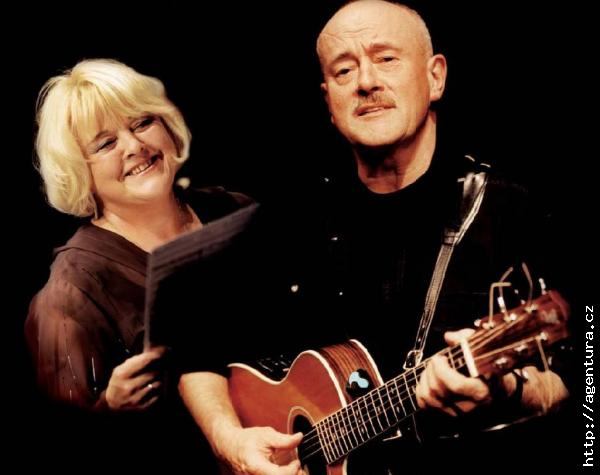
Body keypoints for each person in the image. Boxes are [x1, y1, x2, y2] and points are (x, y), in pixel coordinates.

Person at [179, 1, 572, 473]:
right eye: (344, 70)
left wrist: (507, 392)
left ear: (435, 77)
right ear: (328, 100)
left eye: (386, 59)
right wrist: (230, 443)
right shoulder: (287, 219)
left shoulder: (513, 210)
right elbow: (194, 351)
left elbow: (578, 377)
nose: (366, 82)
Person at [25, 58, 251, 468]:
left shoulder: (233, 210)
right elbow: (54, 448)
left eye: (143, 123)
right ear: (79, 171)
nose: (134, 147)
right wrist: (109, 410)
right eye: (105, 144)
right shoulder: (69, 294)